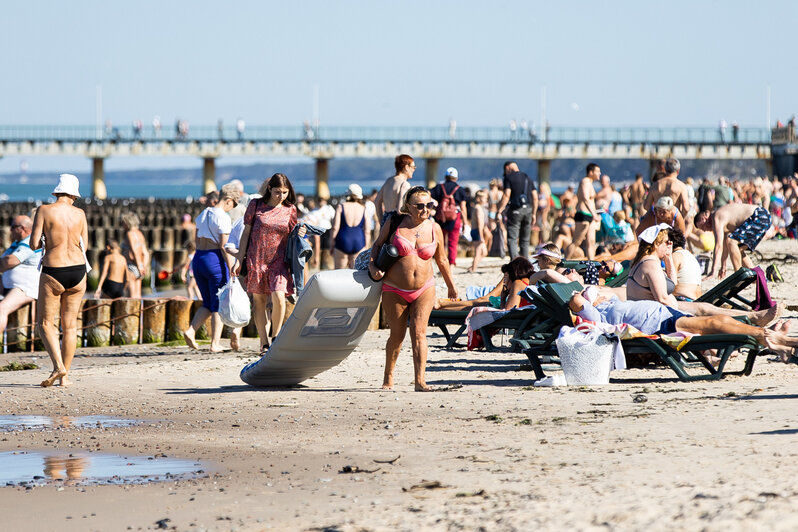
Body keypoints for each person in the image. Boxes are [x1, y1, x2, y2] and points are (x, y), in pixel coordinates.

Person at [368, 186, 457, 391]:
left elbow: (442, 259)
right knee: (397, 335)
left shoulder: (434, 228)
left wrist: (451, 286)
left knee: (419, 334)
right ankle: (388, 379)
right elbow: (376, 245)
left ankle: (420, 381)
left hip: (425, 288)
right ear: (408, 206)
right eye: (419, 206)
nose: (425, 209)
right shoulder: (395, 223)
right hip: (394, 288)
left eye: (429, 205)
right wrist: (373, 267)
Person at [569, 288, 797, 362]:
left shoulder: (610, 302)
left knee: (717, 322)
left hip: (664, 315)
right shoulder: (597, 313)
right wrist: (579, 295)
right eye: (595, 293)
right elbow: (576, 302)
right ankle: (770, 338)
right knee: (715, 322)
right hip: (658, 324)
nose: (600, 293)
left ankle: (772, 341)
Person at [628, 224, 780, 325]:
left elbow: (671, 285)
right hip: (653, 317)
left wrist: (667, 258)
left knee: (705, 307)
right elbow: (662, 299)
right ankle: (754, 322)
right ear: (656, 243)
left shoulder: (648, 262)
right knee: (704, 313)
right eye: (667, 242)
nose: (670, 244)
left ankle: (753, 319)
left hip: (658, 310)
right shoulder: (650, 265)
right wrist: (683, 313)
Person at [232, 174, 306, 350]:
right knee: (259, 301)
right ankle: (263, 341)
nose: (281, 196)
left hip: (279, 260)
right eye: (277, 192)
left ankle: (276, 337)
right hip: (256, 258)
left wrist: (301, 233)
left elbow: (293, 235)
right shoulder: (255, 205)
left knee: (280, 297)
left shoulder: (290, 209)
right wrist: (238, 260)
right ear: (269, 190)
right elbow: (245, 234)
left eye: (285, 192)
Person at [30, 174, 89, 387]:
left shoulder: (44, 210)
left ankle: (58, 366)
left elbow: (33, 243)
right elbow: (86, 245)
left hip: (54, 270)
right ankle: (65, 378)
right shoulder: (80, 213)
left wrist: (47, 239)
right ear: (74, 193)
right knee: (70, 326)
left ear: (56, 191)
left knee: (46, 323)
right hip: (78, 271)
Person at [183, 186, 241, 352]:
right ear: (228, 201)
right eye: (233, 205)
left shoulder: (203, 214)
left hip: (199, 258)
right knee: (219, 303)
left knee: (207, 302)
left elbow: (197, 239)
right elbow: (224, 246)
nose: (232, 208)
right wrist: (231, 267)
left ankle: (191, 330)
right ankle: (215, 343)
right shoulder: (222, 217)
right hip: (214, 260)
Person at [695, 202, 773, 280]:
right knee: (737, 249)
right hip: (762, 216)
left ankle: (738, 276)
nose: (704, 230)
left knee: (732, 242)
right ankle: (757, 278)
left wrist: (713, 271)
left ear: (704, 218)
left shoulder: (716, 217)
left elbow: (718, 246)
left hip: (759, 215)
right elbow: (724, 246)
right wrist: (723, 267)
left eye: (702, 227)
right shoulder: (722, 221)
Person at [0, 215, 41, 340]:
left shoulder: (30, 242)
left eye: (13, 227)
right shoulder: (18, 243)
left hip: (25, 287)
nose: (10, 230)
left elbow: (10, 261)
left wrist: (3, 262)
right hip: (11, 286)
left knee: (2, 309)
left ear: (22, 228)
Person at [497, 161, 538, 259]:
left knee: (512, 239)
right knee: (525, 240)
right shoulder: (528, 178)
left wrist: (499, 211)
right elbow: (535, 197)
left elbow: (507, 195)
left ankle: (515, 264)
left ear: (507, 168)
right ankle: (525, 264)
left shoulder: (508, 178)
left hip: (515, 210)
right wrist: (534, 213)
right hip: (528, 210)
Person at [431, 166, 468, 265]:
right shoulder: (460, 190)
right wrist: (464, 222)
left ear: (446, 177)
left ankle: (440, 264)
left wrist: (434, 208)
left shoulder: (439, 187)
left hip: (440, 218)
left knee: (440, 243)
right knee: (453, 243)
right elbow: (463, 208)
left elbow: (428, 195)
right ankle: (451, 265)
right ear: (456, 178)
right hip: (455, 218)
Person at [566, 163, 601, 260]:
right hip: (583, 214)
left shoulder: (590, 183)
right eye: (597, 171)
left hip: (590, 215)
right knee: (576, 241)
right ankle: (565, 261)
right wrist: (594, 214)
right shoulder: (585, 181)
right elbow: (585, 198)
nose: (599, 173)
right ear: (591, 172)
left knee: (591, 242)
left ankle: (592, 264)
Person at [332, 184, 368, 268]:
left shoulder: (341, 207)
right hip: (359, 241)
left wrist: (332, 244)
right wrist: (366, 246)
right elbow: (367, 231)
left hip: (343, 240)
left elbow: (335, 228)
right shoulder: (363, 209)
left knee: (338, 274)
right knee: (355, 274)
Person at [375, 154, 415, 220]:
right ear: (406, 167)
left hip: (386, 219)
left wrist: (381, 221)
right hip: (397, 222)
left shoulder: (389, 181)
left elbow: (377, 201)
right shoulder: (404, 184)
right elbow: (400, 209)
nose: (414, 169)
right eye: (413, 167)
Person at [667, 227, 702, 301]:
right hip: (697, 299)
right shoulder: (690, 255)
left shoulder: (675, 256)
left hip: (683, 299)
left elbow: (671, 284)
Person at [121, 213, 150, 299]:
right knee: (138, 296)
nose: (122, 225)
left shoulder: (129, 234)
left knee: (132, 296)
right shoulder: (140, 233)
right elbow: (146, 253)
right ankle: (139, 312)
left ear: (127, 223)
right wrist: (143, 266)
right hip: (140, 267)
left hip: (132, 266)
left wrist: (139, 266)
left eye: (123, 223)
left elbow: (134, 251)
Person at [468, 190, 490, 272]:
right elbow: (480, 223)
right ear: (478, 199)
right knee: (478, 251)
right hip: (477, 231)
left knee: (484, 252)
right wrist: (481, 236)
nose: (486, 200)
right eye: (484, 198)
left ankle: (473, 266)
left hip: (476, 231)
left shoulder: (478, 207)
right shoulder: (478, 209)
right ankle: (473, 268)